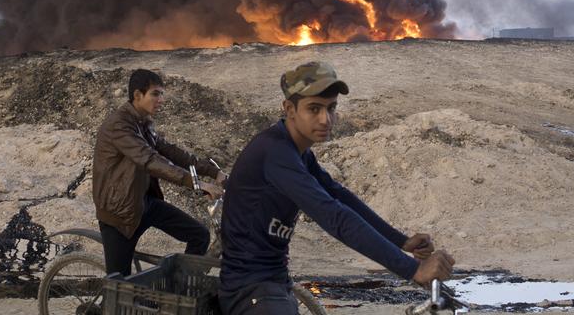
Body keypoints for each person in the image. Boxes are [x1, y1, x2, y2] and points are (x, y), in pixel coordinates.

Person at [219, 62, 455, 314]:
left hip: (272, 282)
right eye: (314, 109)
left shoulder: (298, 153)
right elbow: (333, 215)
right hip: (249, 290)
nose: (326, 119)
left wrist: (402, 241)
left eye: (331, 108)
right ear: (289, 109)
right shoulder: (275, 152)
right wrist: (413, 270)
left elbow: (339, 196)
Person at [92, 68, 226, 276]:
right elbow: (150, 160)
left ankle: (182, 288)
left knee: (199, 235)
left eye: (162, 93)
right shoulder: (119, 126)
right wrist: (196, 183)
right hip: (120, 214)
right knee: (120, 287)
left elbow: (171, 151)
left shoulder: (143, 122)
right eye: (155, 93)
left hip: (144, 203)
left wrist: (212, 171)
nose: (161, 99)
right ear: (137, 95)